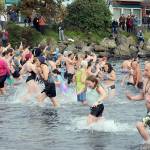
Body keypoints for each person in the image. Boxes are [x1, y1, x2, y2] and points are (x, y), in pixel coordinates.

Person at [126, 63, 150, 142]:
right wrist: (132, 98)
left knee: (139, 125)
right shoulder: (146, 80)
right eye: (144, 69)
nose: (144, 72)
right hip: (148, 111)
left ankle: (148, 143)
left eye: (146, 70)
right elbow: (143, 95)